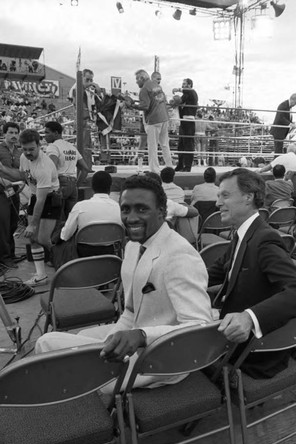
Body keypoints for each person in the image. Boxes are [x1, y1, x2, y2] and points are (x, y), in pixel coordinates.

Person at [35, 175, 213, 391]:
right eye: (126, 209)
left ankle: (72, 412)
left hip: (162, 360)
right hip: (135, 339)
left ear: (162, 212)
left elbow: (200, 327)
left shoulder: (180, 255)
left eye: (142, 209)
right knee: (78, 339)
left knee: (46, 343)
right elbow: (130, 311)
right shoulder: (132, 247)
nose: (131, 217)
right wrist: (113, 340)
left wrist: (141, 336)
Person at [208, 168, 296, 379]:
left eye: (225, 195)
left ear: (248, 197)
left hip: (250, 351)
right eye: (218, 196)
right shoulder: (243, 232)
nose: (217, 203)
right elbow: (214, 272)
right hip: (232, 330)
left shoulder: (264, 239)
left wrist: (248, 318)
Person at [0, 129, 61, 286]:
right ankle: (41, 276)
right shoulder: (23, 157)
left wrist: (33, 224)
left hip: (49, 198)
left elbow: (41, 200)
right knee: (32, 238)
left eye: (31, 149)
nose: (28, 153)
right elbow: (23, 176)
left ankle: (64, 263)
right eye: (25, 149)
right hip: (36, 197)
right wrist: (2, 169)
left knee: (43, 239)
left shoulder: (44, 166)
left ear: (39, 145)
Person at [126, 69, 173, 174]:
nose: (136, 82)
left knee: (153, 147)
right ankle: (169, 167)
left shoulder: (144, 89)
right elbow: (164, 101)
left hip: (154, 120)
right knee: (165, 144)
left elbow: (145, 106)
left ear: (142, 78)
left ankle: (155, 171)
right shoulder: (157, 86)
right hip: (164, 117)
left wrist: (132, 105)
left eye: (137, 79)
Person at [44, 121, 91, 219]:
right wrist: (77, 185)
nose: (45, 136)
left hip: (60, 183)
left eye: (47, 132)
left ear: (56, 133)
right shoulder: (71, 147)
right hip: (73, 183)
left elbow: (51, 168)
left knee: (56, 219)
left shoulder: (53, 147)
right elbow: (86, 169)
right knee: (72, 219)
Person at [60, 171, 122, 241]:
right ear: (110, 187)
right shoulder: (118, 208)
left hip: (84, 250)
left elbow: (65, 236)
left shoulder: (80, 207)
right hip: (112, 249)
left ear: (92, 186)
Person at [69, 68, 102, 169]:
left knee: (86, 145)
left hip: (84, 119)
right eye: (87, 80)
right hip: (81, 120)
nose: (90, 83)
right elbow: (76, 103)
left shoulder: (84, 90)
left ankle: (87, 167)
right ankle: (85, 168)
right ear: (81, 78)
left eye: (91, 80)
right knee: (84, 146)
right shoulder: (77, 89)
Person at [0, 122, 22, 268]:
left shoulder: (20, 152)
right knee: (3, 224)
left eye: (16, 133)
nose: (14, 135)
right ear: (4, 134)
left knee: (14, 222)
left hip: (15, 191)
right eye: (11, 133)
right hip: (1, 191)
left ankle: (11, 253)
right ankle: (4, 257)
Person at [174, 78, 198, 172]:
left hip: (189, 120)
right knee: (181, 144)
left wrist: (177, 89)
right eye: (182, 84)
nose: (182, 85)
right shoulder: (185, 95)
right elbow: (178, 102)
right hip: (183, 120)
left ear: (189, 85)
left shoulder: (192, 92)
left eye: (184, 84)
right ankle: (180, 165)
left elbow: (185, 92)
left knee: (188, 144)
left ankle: (188, 166)